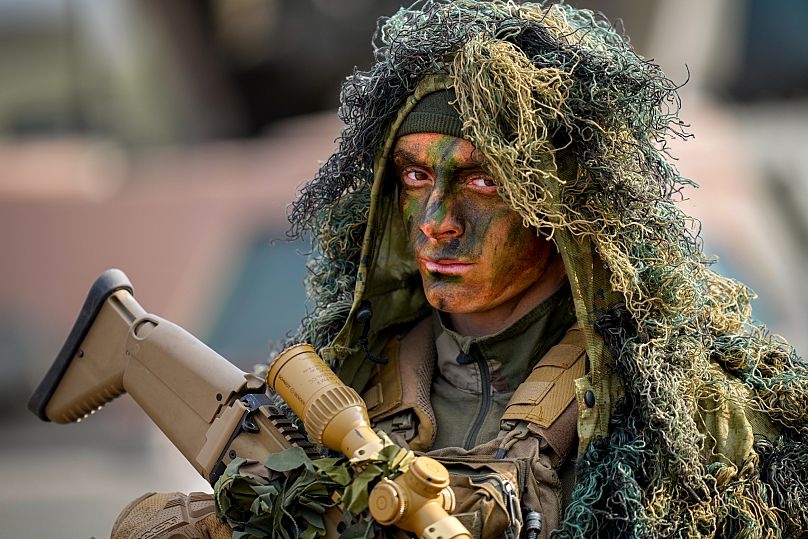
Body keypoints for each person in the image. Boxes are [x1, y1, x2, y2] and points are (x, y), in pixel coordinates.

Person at [113, 1, 808, 538]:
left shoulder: (680, 417)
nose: (437, 219)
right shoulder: (334, 387)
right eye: (416, 176)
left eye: (481, 183)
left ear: (555, 207)